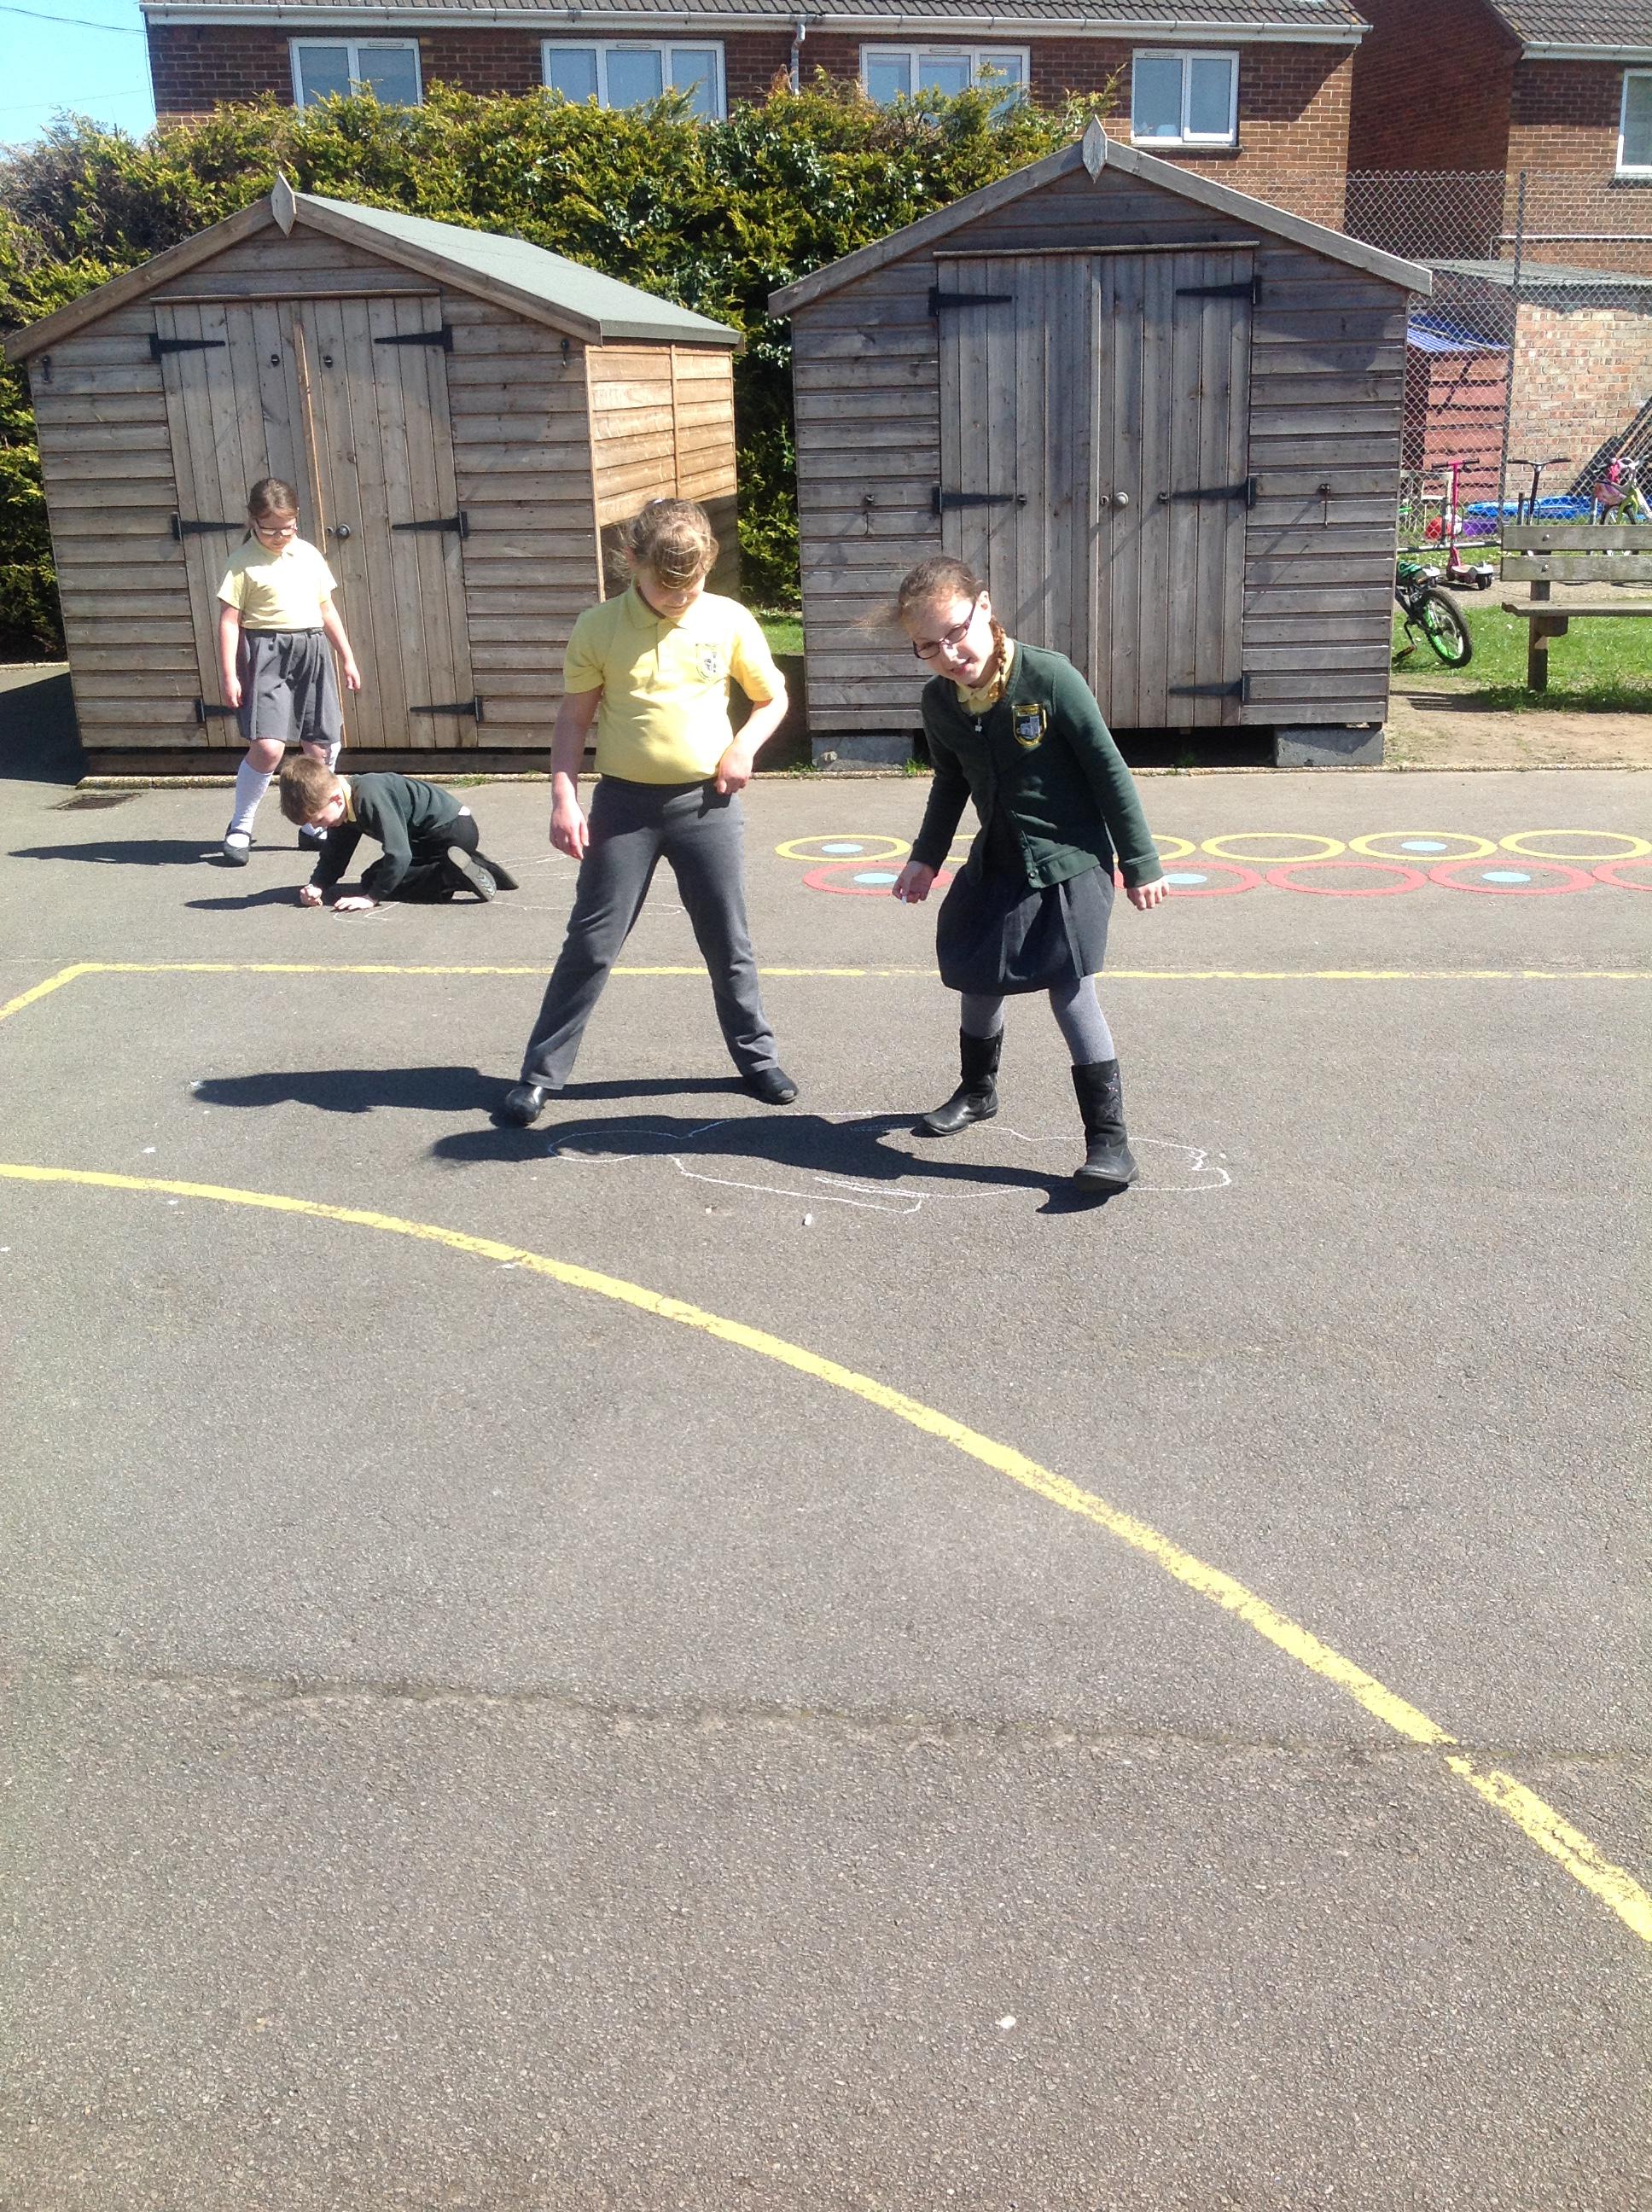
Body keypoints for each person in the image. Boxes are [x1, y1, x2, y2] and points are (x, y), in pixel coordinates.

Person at [501, 498, 795, 1128]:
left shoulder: (729, 619)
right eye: (667, 589)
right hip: (624, 807)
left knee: (728, 940)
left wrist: (743, 747)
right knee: (591, 942)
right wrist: (563, 798)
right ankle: (540, 1075)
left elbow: (771, 700)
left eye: (692, 587)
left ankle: (757, 1059)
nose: (681, 599)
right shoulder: (599, 627)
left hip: (707, 804)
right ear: (633, 560)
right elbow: (573, 720)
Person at [888, 556, 1166, 1191]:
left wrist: (1140, 861)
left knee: (1069, 986)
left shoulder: (1049, 677)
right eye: (927, 646)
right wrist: (926, 856)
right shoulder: (940, 702)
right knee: (976, 971)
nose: (948, 654)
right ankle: (977, 1091)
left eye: (955, 633)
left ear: (984, 608)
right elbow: (950, 782)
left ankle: (1110, 1143)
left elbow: (1108, 770)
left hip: (1070, 860)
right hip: (1000, 858)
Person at [217, 476, 361, 865]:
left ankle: (313, 826)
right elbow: (229, 622)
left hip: (312, 650)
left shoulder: (309, 555)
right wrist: (230, 675)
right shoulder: (241, 563)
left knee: (322, 746)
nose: (280, 537)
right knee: (268, 748)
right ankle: (241, 825)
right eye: (271, 530)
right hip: (267, 653)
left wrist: (347, 656)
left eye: (289, 528)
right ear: (253, 522)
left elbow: (326, 609)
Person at [278, 757, 517, 912]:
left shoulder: (368, 798)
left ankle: (449, 876)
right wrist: (318, 884)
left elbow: (399, 853)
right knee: (375, 876)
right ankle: (478, 867)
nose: (320, 827)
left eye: (319, 820)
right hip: (442, 833)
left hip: (450, 831)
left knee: (378, 882)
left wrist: (371, 898)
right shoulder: (344, 805)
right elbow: (336, 854)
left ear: (337, 800)